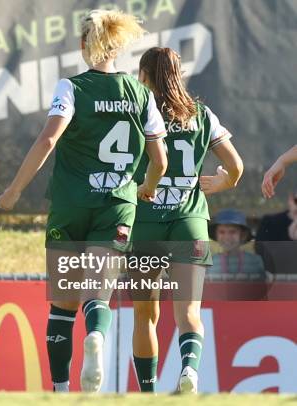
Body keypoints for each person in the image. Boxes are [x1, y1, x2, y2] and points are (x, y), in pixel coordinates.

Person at [0, 9, 168, 392]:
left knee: (62, 302)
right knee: (98, 292)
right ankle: (97, 336)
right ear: (118, 48)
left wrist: (15, 190)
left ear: (82, 45)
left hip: (71, 202)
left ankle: (59, 390)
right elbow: (160, 160)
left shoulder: (70, 87)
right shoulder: (142, 95)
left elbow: (47, 139)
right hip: (117, 204)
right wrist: (147, 187)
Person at [130, 47, 243, 394]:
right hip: (190, 220)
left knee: (145, 314)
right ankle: (189, 371)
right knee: (189, 312)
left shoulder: (137, 113)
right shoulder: (202, 114)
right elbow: (236, 168)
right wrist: (221, 181)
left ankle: (148, 393)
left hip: (146, 220)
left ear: (145, 76)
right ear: (179, 74)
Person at [208, 209, 264, 276]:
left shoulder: (255, 261)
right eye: (222, 232)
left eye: (232, 232)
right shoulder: (210, 262)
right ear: (216, 235)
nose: (227, 237)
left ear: (243, 235)